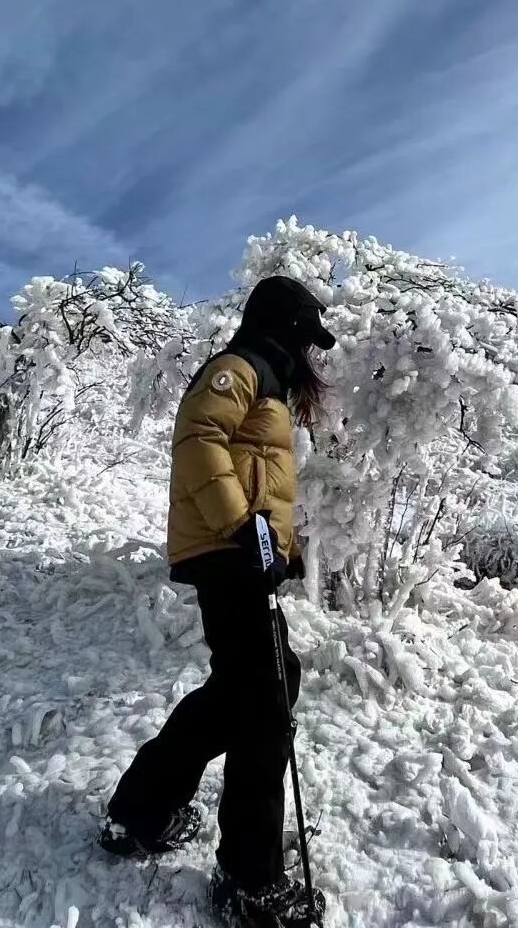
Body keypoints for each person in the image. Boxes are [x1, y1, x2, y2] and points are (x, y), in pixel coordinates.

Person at [99, 275, 334, 927]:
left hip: (238, 556)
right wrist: (243, 527)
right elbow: (200, 440)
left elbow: (257, 475)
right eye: (305, 338)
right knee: (264, 703)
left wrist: (282, 547)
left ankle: (140, 810)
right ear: (283, 328)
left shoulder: (267, 382)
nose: (309, 354)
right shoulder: (238, 370)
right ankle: (249, 880)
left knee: (246, 692)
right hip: (226, 553)